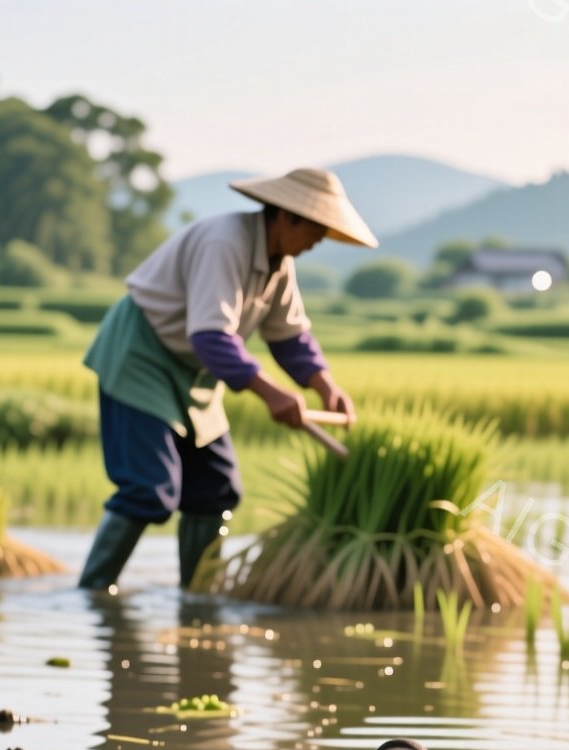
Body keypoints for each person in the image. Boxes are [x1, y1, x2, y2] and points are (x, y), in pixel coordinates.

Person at [78, 167, 376, 591]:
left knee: (216, 489)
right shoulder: (226, 242)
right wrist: (272, 393)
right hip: (142, 354)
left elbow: (289, 336)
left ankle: (197, 596)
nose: (317, 241)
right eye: (315, 229)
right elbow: (211, 335)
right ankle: (92, 592)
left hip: (195, 371)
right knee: (149, 488)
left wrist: (324, 385)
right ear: (288, 217)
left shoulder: (279, 262)